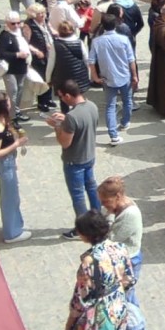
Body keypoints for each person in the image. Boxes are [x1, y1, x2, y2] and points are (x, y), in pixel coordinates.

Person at [98, 176, 149, 330]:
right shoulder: (114, 208)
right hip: (119, 262)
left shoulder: (130, 215)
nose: (103, 205)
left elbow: (110, 238)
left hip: (127, 264)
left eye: (106, 201)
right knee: (131, 303)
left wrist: (106, 218)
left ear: (118, 196)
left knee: (125, 308)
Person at [48, 80, 102, 239]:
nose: (62, 100)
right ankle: (98, 219)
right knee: (92, 189)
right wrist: (65, 120)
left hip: (74, 161)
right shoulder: (91, 106)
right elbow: (84, 124)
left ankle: (83, 229)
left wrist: (57, 126)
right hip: (89, 156)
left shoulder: (72, 117)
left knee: (78, 196)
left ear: (68, 95)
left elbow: (65, 142)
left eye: (62, 97)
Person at [0, 93, 30, 243]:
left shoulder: (3, 120)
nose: (10, 103)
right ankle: (11, 233)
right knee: (9, 198)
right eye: (8, 101)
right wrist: (16, 144)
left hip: (9, 161)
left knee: (13, 196)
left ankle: (15, 225)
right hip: (4, 163)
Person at [88, 14, 138, 145]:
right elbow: (131, 59)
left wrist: (94, 77)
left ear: (102, 25)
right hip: (124, 76)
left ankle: (113, 134)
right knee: (127, 101)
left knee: (110, 106)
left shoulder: (96, 41)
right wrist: (135, 76)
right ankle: (125, 122)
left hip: (107, 78)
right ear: (115, 24)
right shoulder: (124, 39)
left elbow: (91, 61)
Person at [0, 11, 32, 122]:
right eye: (13, 23)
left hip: (21, 66)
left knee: (20, 90)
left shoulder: (20, 33)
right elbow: (1, 53)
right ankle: (11, 117)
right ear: (7, 23)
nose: (16, 25)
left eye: (18, 23)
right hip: (9, 68)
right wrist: (17, 54)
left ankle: (16, 112)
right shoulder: (5, 35)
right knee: (13, 91)